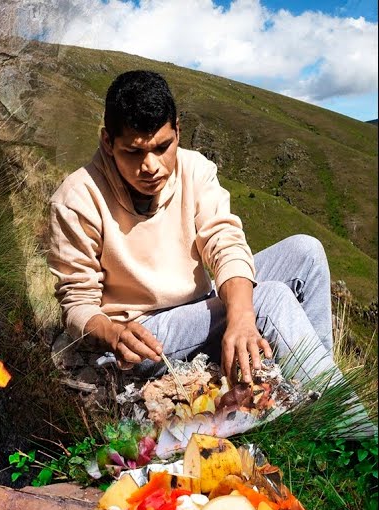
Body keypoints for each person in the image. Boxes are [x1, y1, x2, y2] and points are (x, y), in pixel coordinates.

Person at [47, 70, 347, 395]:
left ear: (177, 130)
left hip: (198, 304)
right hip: (143, 334)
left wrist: (241, 316)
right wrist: (112, 332)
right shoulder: (76, 197)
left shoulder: (196, 169)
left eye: (163, 147)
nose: (151, 166)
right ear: (108, 142)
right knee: (268, 298)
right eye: (134, 152)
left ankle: (317, 391)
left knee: (306, 253)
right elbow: (77, 301)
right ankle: (353, 434)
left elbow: (225, 244)